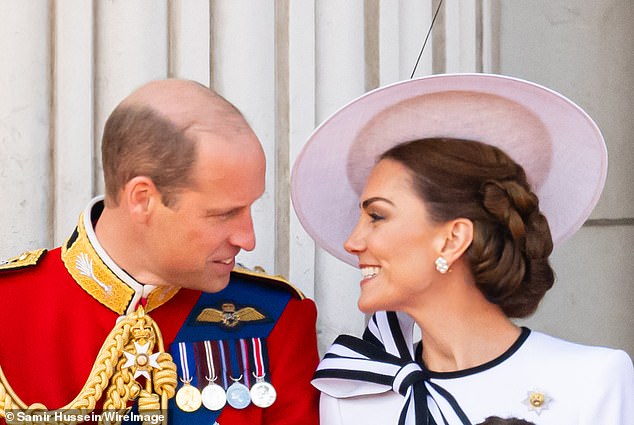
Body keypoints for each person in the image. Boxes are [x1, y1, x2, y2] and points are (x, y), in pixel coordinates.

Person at [290, 74, 634, 424]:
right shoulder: (349, 401)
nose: (352, 242)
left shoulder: (592, 382)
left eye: (377, 216)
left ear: (453, 239)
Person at [0, 79, 319, 425]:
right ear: (142, 199)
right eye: (224, 213)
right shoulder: (9, 307)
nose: (248, 238)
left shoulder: (274, 319)